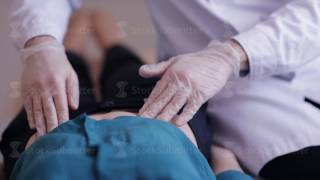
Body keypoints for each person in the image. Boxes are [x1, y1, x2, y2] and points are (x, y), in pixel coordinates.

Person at [9, 0, 320, 179]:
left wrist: (41, 45)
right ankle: (110, 40)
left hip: (52, 130)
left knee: (62, 74)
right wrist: (41, 46)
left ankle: (76, 40)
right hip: (162, 109)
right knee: (126, 71)